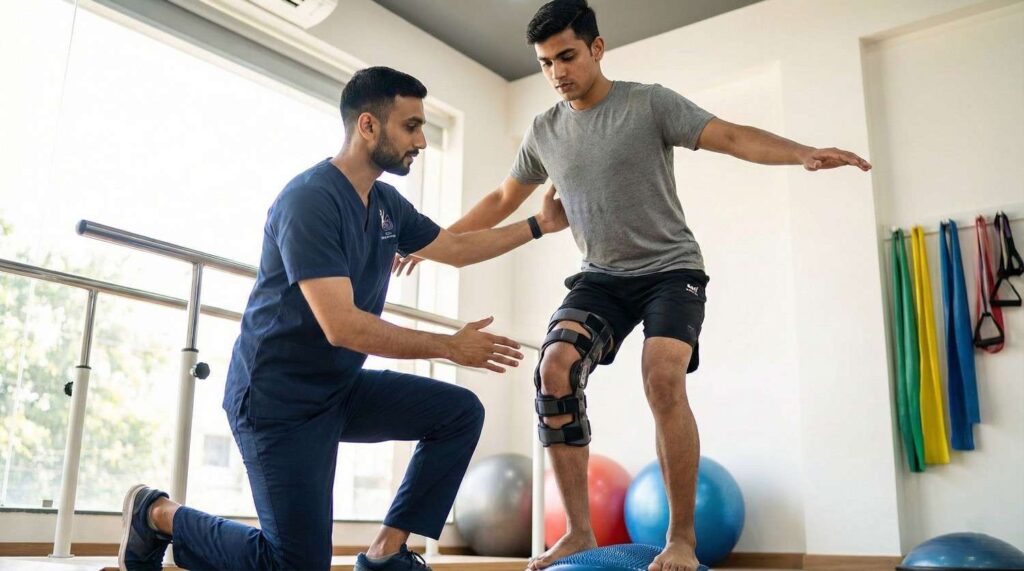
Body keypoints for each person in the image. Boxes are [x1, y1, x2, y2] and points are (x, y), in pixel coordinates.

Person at [394, 2, 871, 569]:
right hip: (601, 277)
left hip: (672, 270)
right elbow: (502, 199)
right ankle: (576, 531)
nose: (557, 72)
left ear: (597, 48)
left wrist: (802, 154)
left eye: (567, 56)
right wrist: (436, 241)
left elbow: (732, 137)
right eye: (546, 63)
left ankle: (683, 538)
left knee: (662, 376)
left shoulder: (648, 103)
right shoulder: (545, 130)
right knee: (553, 370)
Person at [116, 66, 569, 571]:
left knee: (458, 412)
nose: (420, 141)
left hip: (338, 390)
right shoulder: (308, 200)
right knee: (296, 565)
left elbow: (456, 247)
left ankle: (386, 551)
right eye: (411, 126)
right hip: (275, 399)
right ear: (368, 126)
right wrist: (447, 345)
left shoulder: (386, 204)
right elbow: (342, 325)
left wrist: (539, 225)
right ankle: (156, 513)